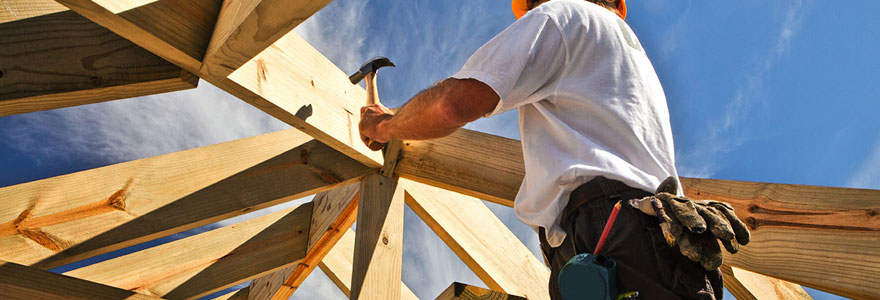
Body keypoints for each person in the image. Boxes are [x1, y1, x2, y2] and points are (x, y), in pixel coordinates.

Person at [359, 0, 732, 299]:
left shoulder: (563, 16)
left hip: (611, 235)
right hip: (658, 245)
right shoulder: (629, 60)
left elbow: (452, 104)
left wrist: (385, 124)